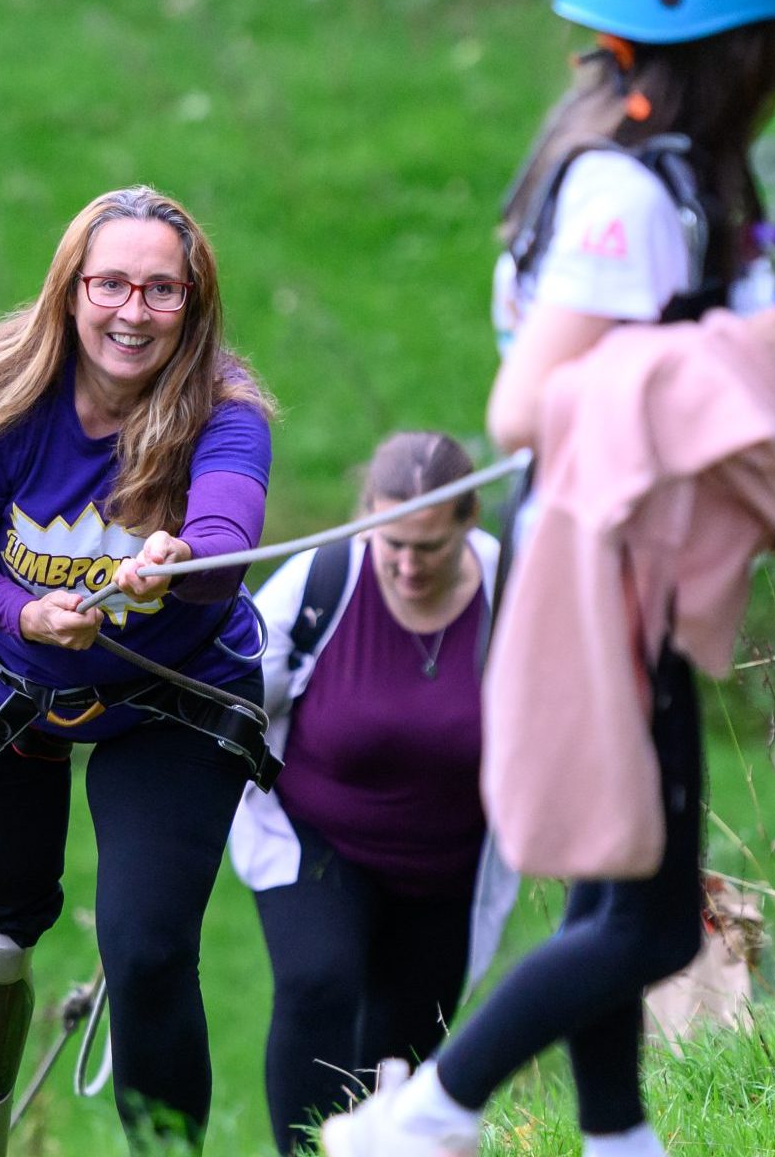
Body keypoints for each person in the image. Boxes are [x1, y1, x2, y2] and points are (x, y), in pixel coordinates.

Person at [321, 0, 775, 1157]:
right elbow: (528, 405)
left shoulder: (641, 161)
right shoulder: (624, 193)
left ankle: (616, 1139)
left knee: (615, 883)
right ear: (735, 44)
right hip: (596, 572)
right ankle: (424, 1117)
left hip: (612, 558)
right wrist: (730, 362)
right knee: (652, 922)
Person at [0, 185, 275, 1153]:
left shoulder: (224, 414)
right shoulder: (6, 405)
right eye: (111, 284)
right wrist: (22, 610)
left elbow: (227, 538)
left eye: (161, 291)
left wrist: (182, 561)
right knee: (8, 922)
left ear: (192, 304)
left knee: (148, 953)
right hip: (7, 686)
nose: (132, 313)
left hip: (172, 700)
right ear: (70, 290)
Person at [227, 431, 518, 1154]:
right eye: (392, 544)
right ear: (366, 521)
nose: (408, 565)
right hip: (319, 840)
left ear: (467, 522)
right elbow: (230, 691)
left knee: (404, 1055)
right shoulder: (322, 581)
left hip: (450, 867)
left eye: (430, 547)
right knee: (319, 984)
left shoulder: (514, 592)